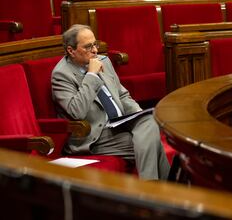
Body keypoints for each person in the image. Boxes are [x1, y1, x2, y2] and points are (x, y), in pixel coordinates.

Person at [51, 24, 170, 180]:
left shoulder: (103, 61)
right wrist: (92, 76)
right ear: (71, 51)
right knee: (150, 142)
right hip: (96, 135)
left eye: (95, 44)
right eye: (88, 47)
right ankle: (158, 187)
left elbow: (122, 95)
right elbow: (76, 111)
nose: (95, 51)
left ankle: (154, 190)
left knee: (149, 120)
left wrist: (138, 115)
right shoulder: (61, 75)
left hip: (120, 123)